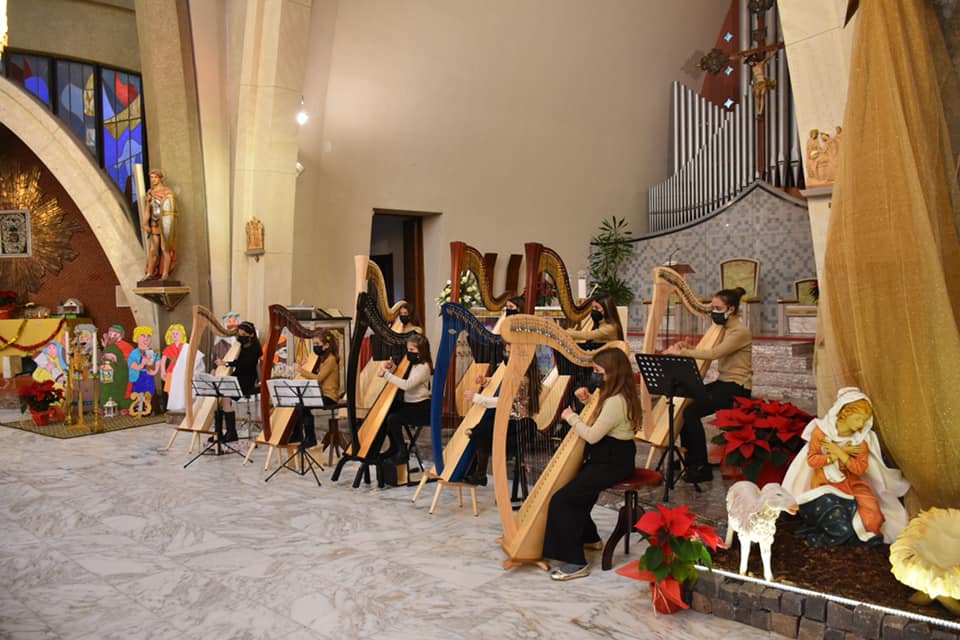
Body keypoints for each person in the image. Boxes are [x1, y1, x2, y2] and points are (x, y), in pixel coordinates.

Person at [543, 348, 641, 581]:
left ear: (612, 373)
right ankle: (590, 538)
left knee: (562, 500)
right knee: (578, 494)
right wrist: (587, 403)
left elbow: (592, 435)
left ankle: (576, 562)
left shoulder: (616, 401)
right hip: (611, 456)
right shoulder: (616, 393)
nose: (595, 376)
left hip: (611, 461)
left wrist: (570, 417)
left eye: (598, 371)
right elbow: (603, 421)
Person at [782, 387, 910, 546]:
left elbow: (859, 469)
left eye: (865, 420)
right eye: (858, 419)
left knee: (873, 520)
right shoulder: (821, 432)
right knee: (837, 518)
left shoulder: (861, 439)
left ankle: (858, 538)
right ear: (844, 413)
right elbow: (812, 460)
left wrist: (840, 453)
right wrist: (835, 455)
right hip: (826, 485)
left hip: (853, 484)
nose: (861, 424)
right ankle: (824, 537)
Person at [664, 286, 752, 484]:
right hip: (724, 383)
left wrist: (684, 353)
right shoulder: (726, 329)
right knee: (687, 405)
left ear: (730, 310)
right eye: (712, 307)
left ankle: (701, 467)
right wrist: (688, 347)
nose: (713, 312)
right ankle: (692, 461)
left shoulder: (740, 332)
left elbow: (714, 354)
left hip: (737, 388)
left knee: (691, 412)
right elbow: (710, 350)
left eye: (717, 308)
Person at [462, 343, 541, 486]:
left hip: (517, 422)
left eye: (511, 353)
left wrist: (476, 398)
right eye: (506, 351)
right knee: (480, 429)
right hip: (508, 417)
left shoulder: (522, 378)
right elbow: (503, 386)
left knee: (480, 431)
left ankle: (479, 473)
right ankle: (477, 472)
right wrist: (486, 381)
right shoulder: (516, 372)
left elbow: (503, 401)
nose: (507, 355)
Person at [378, 333, 432, 465]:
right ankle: (394, 446)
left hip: (421, 408)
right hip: (410, 404)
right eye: (408, 350)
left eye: (412, 350)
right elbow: (404, 377)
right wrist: (393, 369)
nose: (409, 353)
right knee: (386, 412)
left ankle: (402, 451)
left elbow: (407, 385)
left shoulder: (424, 367)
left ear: (421, 350)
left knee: (393, 418)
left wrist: (386, 375)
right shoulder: (413, 364)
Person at [213, 321, 262, 442]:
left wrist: (226, 363)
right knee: (218, 396)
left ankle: (231, 433)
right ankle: (218, 433)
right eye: (239, 334)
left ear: (251, 335)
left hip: (247, 380)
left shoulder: (255, 349)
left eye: (244, 334)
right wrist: (217, 368)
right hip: (237, 377)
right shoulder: (239, 346)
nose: (241, 336)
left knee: (225, 397)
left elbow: (246, 364)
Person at [142, 169, 177, 280]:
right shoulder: (150, 193)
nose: (153, 179)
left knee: (164, 248)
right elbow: (148, 210)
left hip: (165, 224)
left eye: (155, 177)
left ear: (160, 178)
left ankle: (165, 274)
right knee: (153, 249)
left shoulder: (168, 192)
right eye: (151, 177)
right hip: (154, 223)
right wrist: (144, 223)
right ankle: (149, 274)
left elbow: (170, 210)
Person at [295, 330, 341, 407]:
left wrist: (301, 370)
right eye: (314, 344)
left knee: (302, 404)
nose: (315, 346)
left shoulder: (331, 359)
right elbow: (316, 374)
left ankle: (308, 419)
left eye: (317, 343)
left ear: (326, 345)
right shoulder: (324, 358)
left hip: (330, 397)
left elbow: (319, 379)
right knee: (300, 402)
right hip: (323, 395)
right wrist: (304, 366)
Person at [128, 326, 161, 416]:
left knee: (148, 393)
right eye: (143, 336)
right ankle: (139, 409)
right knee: (138, 393)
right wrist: (142, 364)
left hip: (148, 376)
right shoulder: (134, 353)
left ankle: (147, 409)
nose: (146, 338)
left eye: (148, 336)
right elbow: (132, 365)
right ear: (137, 338)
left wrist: (155, 371)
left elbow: (158, 360)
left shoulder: (151, 352)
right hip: (138, 376)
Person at [160, 324, 187, 397]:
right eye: (173, 333)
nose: (175, 335)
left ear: (182, 335)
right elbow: (163, 361)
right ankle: (172, 405)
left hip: (182, 370)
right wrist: (163, 371)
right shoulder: (168, 348)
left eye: (177, 333)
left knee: (182, 390)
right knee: (170, 390)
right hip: (171, 370)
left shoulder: (185, 346)